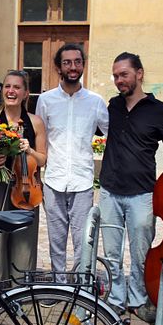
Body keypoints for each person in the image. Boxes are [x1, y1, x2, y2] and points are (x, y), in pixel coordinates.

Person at [99, 52, 163, 323]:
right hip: (109, 190)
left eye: (124, 74)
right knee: (111, 254)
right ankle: (116, 300)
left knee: (141, 253)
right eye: (116, 75)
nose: (119, 80)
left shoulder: (161, 111)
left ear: (139, 74)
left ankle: (138, 300)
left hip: (142, 194)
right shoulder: (112, 106)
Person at [35, 44, 108, 280]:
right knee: (56, 239)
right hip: (54, 179)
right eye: (67, 62)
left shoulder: (96, 102)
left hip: (82, 181)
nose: (73, 67)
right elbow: (40, 139)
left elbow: (114, 134)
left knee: (82, 239)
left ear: (83, 65)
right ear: (59, 67)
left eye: (77, 62)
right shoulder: (45, 101)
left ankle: (81, 285)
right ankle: (59, 283)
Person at [0, 70, 47, 285]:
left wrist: (30, 151)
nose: (11, 91)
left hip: (26, 187)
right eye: (8, 86)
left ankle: (21, 287)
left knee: (24, 240)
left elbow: (43, 159)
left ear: (25, 93)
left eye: (17, 87)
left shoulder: (35, 122)